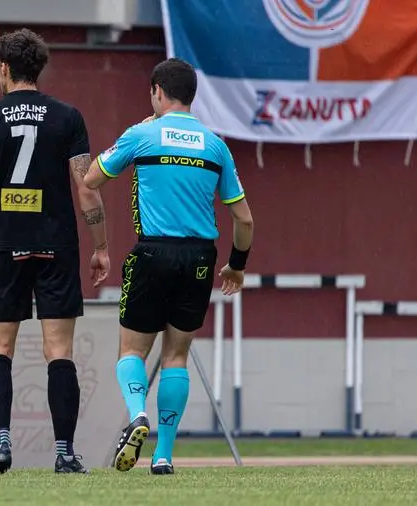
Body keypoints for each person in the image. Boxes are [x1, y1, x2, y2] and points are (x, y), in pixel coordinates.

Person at [83, 57, 254, 475]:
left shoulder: (142, 134)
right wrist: (236, 266)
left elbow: (91, 179)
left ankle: (137, 414)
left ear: (158, 91)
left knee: (132, 350)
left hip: (153, 252)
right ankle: (164, 455)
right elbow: (245, 219)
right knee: (176, 355)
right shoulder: (215, 145)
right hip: (200, 256)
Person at [0, 28, 110, 475]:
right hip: (57, 245)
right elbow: (86, 191)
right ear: (39, 69)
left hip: (7, 245)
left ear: (4, 68)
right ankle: (65, 452)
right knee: (59, 350)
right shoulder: (68, 117)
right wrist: (101, 247)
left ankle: (1, 446)